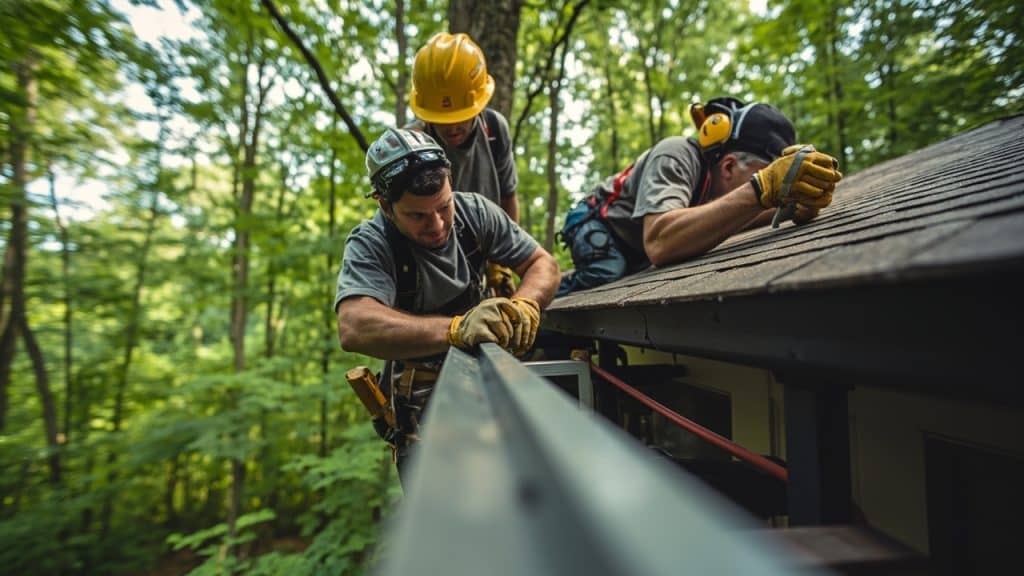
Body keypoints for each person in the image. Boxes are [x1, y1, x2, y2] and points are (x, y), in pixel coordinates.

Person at [334, 128, 559, 482]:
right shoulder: (371, 243)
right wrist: (456, 329)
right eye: (418, 216)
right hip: (424, 402)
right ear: (384, 205)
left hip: (493, 374)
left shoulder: (476, 213)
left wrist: (525, 305)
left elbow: (542, 264)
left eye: (444, 206)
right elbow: (354, 324)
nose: (437, 225)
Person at [557, 97, 843, 295]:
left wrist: (790, 206)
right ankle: (553, 290)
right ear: (729, 166)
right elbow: (660, 242)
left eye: (769, 177)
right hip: (594, 225)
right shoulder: (675, 153)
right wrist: (761, 189)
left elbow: (731, 216)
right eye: (761, 174)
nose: (762, 183)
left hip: (634, 242)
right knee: (609, 270)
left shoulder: (716, 184)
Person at [407, 32, 520, 297]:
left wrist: (502, 259)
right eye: (443, 117)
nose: (453, 126)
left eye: (461, 115)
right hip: (428, 263)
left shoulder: (494, 130)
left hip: (482, 250)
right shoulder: (412, 144)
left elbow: (508, 197)